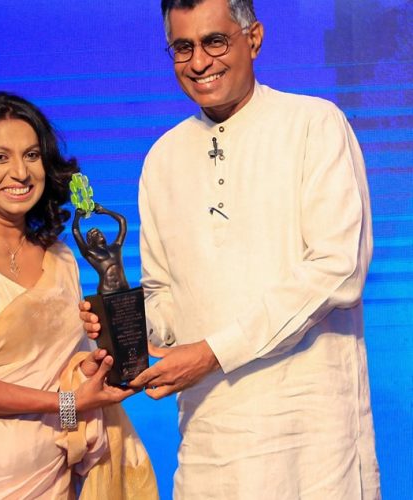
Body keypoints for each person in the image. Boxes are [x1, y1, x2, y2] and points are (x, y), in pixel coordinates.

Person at [80, 0, 381, 498]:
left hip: (311, 436)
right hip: (209, 437)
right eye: (183, 47)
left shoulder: (313, 124)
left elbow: (337, 270)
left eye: (214, 41)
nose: (199, 62)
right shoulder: (162, 158)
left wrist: (212, 353)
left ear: (254, 38)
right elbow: (164, 294)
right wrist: (126, 330)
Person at [0, 92, 158, 499]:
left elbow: (60, 372)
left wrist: (94, 366)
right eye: (0, 157)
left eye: (32, 155)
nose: (20, 172)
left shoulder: (60, 256)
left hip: (47, 477)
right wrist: (68, 403)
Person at [72, 203, 130, 294]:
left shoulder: (116, 246)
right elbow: (76, 231)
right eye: (95, 234)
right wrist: (77, 216)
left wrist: (105, 211)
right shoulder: (90, 253)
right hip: (107, 291)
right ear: (90, 242)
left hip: (124, 288)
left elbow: (122, 221)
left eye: (100, 232)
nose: (100, 234)